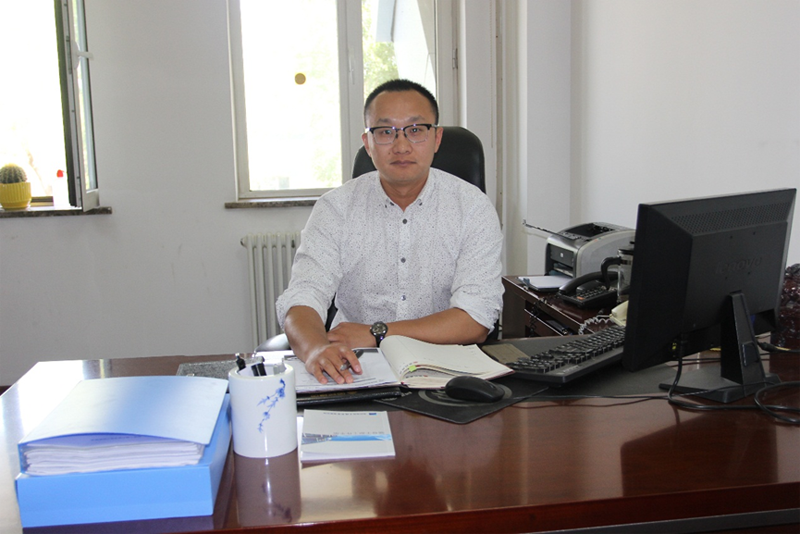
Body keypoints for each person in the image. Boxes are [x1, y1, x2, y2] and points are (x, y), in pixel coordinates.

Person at [276, 79, 503, 385]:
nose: (401, 146)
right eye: (385, 132)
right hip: (356, 364)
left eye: (416, 129)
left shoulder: (473, 208)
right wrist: (316, 349)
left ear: (436, 138)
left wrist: (377, 333)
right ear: (367, 143)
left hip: (447, 368)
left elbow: (476, 317)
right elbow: (303, 295)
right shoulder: (336, 208)